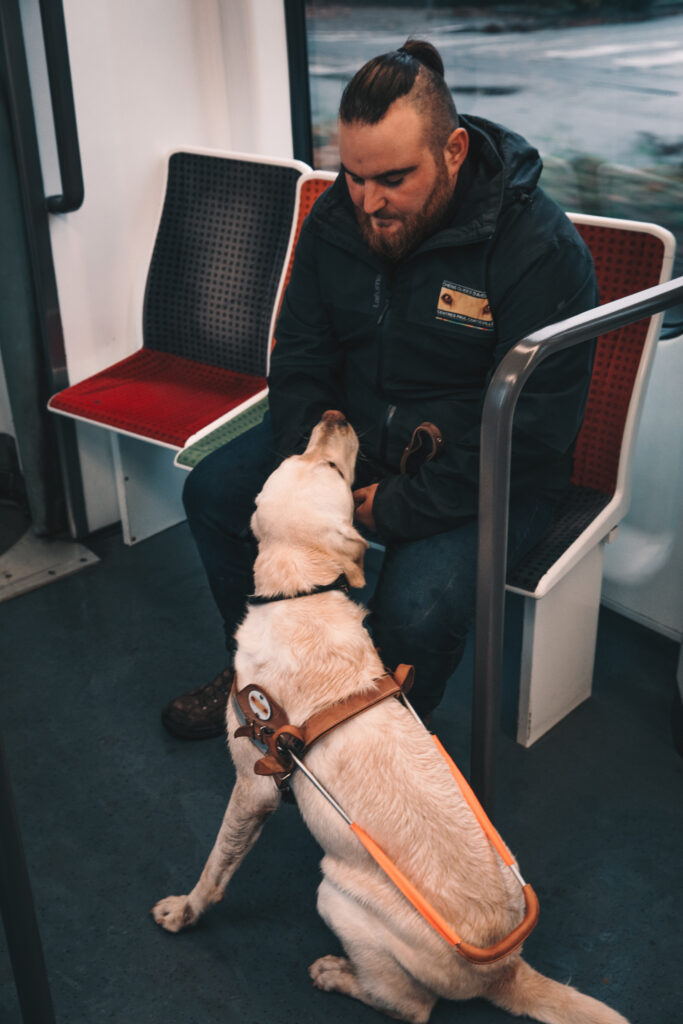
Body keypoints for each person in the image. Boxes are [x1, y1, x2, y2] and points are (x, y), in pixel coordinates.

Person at [161, 39, 598, 740]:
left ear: (454, 150)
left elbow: (530, 432)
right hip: (354, 441)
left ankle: (370, 744)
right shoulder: (339, 217)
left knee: (418, 608)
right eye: (354, 176)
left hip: (481, 471)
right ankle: (266, 677)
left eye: (393, 178)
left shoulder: (536, 251)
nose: (369, 201)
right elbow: (300, 351)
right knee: (213, 497)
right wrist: (316, 464)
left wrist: (392, 508)